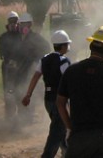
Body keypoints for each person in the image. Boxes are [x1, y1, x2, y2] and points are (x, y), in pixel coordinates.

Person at [57, 26, 103, 157]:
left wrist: (69, 128)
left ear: (91, 46)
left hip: (79, 139)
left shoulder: (71, 71)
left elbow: (60, 103)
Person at [22, 30, 73, 158]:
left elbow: (35, 77)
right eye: (66, 44)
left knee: (59, 127)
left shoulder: (44, 59)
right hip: (59, 101)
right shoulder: (64, 61)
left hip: (48, 100)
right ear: (63, 46)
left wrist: (28, 95)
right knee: (57, 130)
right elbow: (69, 81)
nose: (68, 47)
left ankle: (67, 152)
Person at [11, 12, 51, 126]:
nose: (23, 26)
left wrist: (37, 61)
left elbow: (47, 48)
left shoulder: (35, 38)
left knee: (29, 94)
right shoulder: (19, 39)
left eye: (26, 24)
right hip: (20, 72)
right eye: (21, 24)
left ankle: (28, 119)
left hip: (30, 72)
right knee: (19, 93)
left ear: (30, 25)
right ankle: (22, 117)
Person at [0, 11, 21, 122]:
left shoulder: (22, 36)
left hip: (21, 67)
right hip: (8, 68)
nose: (13, 23)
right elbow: (1, 54)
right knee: (8, 90)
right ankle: (9, 115)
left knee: (21, 89)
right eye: (11, 21)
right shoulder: (3, 37)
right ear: (8, 23)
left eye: (15, 21)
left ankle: (22, 114)